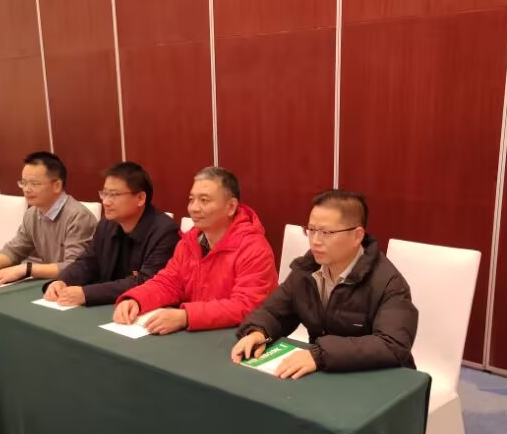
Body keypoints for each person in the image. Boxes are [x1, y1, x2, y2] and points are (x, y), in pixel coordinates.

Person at [232, 189, 418, 379]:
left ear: (357, 236)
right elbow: (274, 312)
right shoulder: (306, 270)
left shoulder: (388, 282)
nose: (315, 241)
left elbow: (392, 345)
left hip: (380, 377)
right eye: (311, 230)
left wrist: (320, 355)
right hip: (326, 372)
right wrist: (258, 332)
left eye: (327, 232)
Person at [112, 166, 278, 335]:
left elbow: (247, 305)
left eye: (204, 200)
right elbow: (169, 282)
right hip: (199, 333)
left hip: (238, 337)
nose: (194, 208)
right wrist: (136, 300)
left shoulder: (254, 248)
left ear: (231, 206)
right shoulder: (189, 242)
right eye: (191, 200)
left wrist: (186, 317)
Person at [43, 162, 180, 306]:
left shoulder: (165, 232)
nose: (106, 202)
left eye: (114, 195)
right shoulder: (107, 224)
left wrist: (86, 294)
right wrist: (62, 281)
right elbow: (88, 261)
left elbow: (146, 282)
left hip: (140, 310)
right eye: (104, 194)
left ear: (140, 198)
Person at [0, 151, 97, 287]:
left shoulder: (78, 217)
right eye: (24, 183)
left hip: (79, 288)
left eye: (34, 184)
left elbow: (74, 267)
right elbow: (15, 250)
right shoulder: (32, 214)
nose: (26, 189)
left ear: (57, 186)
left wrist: (27, 269)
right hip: (52, 285)